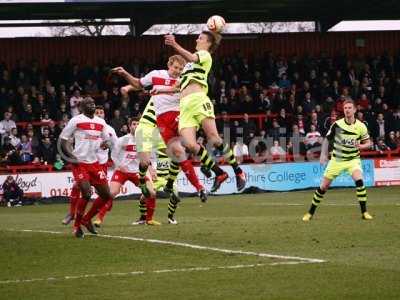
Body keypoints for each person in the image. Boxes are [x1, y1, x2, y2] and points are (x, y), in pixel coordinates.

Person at [164, 32, 246, 192]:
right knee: (189, 144)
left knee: (214, 139)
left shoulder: (204, 55)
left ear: (208, 43)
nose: (197, 39)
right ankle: (219, 173)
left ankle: (238, 171)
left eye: (200, 38)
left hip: (198, 99)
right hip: (185, 105)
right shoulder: (188, 66)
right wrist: (157, 90)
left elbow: (193, 58)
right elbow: (176, 87)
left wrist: (174, 44)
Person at [303, 100, 373, 221]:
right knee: (323, 187)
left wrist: (361, 146)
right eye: (345, 108)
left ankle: (364, 212)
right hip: (337, 160)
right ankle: (310, 213)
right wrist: (323, 155)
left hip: (353, 160)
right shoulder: (337, 124)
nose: (347, 110)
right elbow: (327, 139)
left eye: (350, 107)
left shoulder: (361, 126)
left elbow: (369, 143)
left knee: (359, 181)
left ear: (355, 110)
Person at [59, 97, 114, 238]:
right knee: (87, 193)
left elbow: (107, 139)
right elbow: (63, 140)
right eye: (88, 104)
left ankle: (86, 219)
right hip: (79, 163)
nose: (92, 105)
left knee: (106, 195)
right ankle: (77, 226)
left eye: (93, 103)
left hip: (94, 163)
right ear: (81, 108)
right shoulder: (76, 120)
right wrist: (72, 157)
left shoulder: (101, 122)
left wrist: (106, 143)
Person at [108, 117, 160, 225]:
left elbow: (147, 158)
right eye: (134, 124)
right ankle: (98, 217)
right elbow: (113, 155)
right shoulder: (122, 140)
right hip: (122, 171)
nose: (136, 126)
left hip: (136, 172)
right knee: (112, 193)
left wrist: (152, 170)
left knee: (152, 193)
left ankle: (148, 220)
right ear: (129, 126)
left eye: (138, 124)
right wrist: (119, 165)